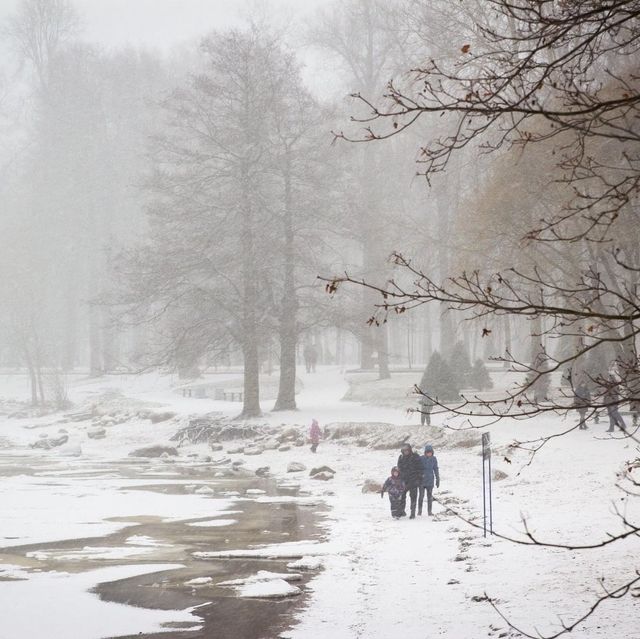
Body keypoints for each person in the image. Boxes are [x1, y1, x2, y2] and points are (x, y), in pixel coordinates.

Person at [397, 443, 423, 519]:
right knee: (402, 497)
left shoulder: (415, 457)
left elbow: (420, 468)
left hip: (413, 481)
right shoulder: (401, 457)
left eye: (407, 450)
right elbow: (399, 468)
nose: (406, 451)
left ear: (410, 449)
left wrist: (419, 478)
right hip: (404, 481)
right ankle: (402, 511)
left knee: (413, 497)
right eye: (404, 450)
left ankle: (412, 513)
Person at [419, 444, 440, 516]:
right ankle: (419, 511)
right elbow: (417, 468)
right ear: (425, 452)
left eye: (430, 452)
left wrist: (437, 479)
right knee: (421, 496)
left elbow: (436, 469)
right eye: (428, 452)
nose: (429, 453)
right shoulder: (421, 458)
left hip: (430, 480)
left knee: (429, 497)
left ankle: (429, 511)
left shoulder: (434, 459)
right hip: (422, 480)